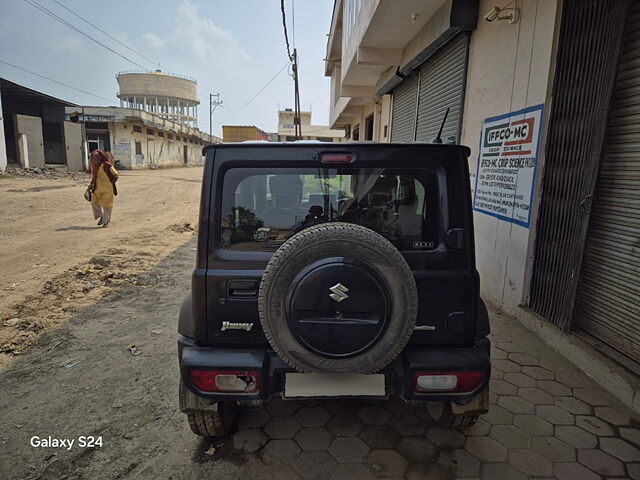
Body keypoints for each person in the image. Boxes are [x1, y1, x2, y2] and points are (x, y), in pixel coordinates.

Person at [88, 150, 118, 227]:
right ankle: (101, 216)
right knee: (94, 203)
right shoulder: (95, 167)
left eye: (94, 158)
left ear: (99, 158)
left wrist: (112, 183)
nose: (93, 160)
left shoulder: (107, 165)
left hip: (107, 189)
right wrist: (89, 187)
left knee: (107, 206)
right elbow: (94, 178)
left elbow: (116, 174)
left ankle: (106, 222)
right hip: (97, 189)